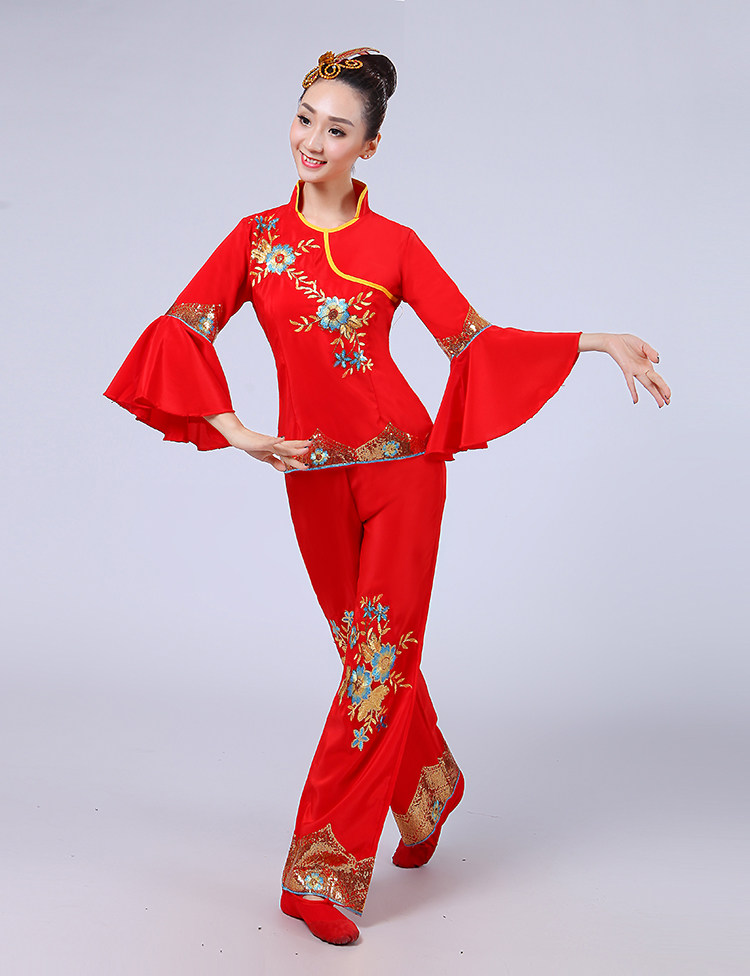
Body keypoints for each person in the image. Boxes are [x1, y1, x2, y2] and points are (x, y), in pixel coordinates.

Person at [104, 47, 671, 946]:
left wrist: (595, 341)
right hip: (310, 480)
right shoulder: (255, 239)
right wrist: (240, 431)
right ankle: (430, 783)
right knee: (368, 659)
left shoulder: (396, 244)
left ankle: (320, 872)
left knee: (374, 664)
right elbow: (182, 328)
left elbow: (474, 342)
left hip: (404, 471)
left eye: (337, 130)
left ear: (368, 147)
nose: (312, 141)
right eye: (305, 119)